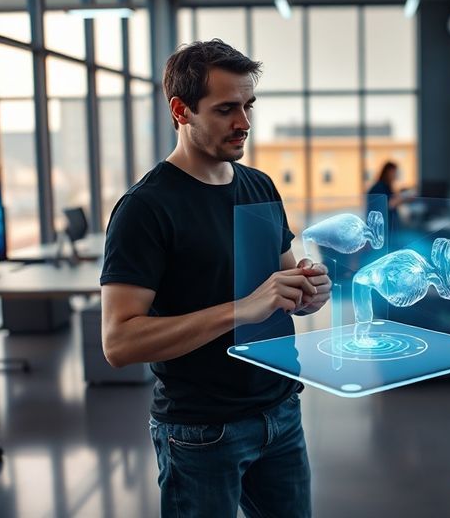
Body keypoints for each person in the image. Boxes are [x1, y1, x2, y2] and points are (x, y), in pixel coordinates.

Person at [99, 39, 331, 517]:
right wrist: (243, 308)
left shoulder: (259, 185)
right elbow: (118, 342)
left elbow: (284, 285)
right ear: (180, 110)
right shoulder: (145, 208)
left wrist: (307, 291)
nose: (244, 122)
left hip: (281, 411)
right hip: (202, 432)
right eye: (226, 109)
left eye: (248, 106)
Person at [367, 161, 411, 234]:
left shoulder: (386, 186)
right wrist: (403, 199)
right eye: (394, 172)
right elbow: (390, 204)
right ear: (388, 172)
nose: (395, 175)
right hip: (383, 228)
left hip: (387, 226)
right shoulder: (379, 187)